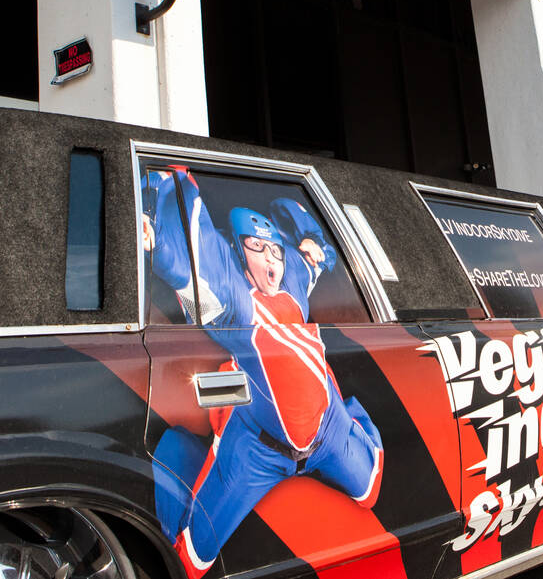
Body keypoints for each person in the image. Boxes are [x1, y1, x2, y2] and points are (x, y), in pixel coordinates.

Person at [142, 168, 385, 579]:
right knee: (192, 558)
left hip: (328, 430)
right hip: (256, 450)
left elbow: (313, 255)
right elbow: (195, 261)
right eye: (257, 248)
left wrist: (309, 238)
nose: (270, 257)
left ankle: (348, 409)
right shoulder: (235, 300)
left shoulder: (291, 276)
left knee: (370, 487)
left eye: (274, 249)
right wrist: (159, 229)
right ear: (240, 254)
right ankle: (179, 452)